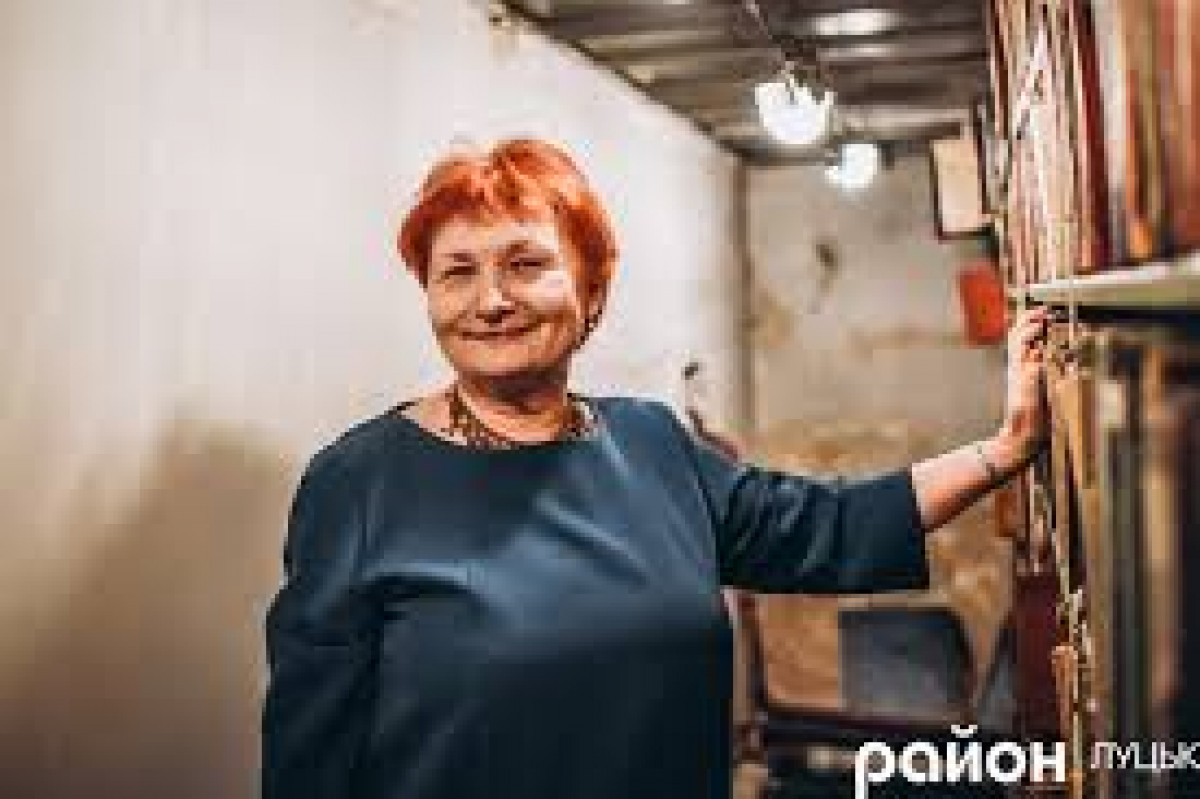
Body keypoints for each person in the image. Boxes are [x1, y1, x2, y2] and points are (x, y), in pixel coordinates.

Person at [260, 138, 1049, 799]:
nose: (490, 299)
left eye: (525, 263)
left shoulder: (651, 443)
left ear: (591, 290)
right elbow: (309, 758)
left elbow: (826, 524)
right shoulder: (358, 484)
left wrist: (1004, 448)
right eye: (456, 272)